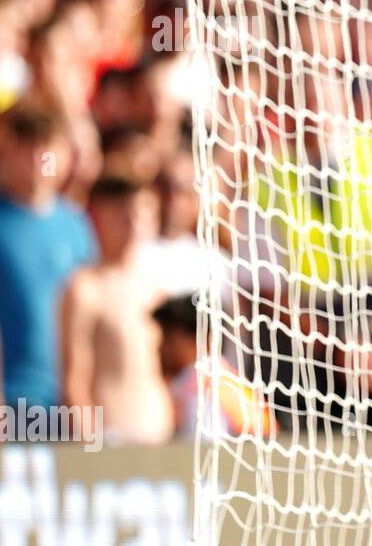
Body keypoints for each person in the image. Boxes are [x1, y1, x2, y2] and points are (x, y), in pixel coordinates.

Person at [0, 100, 97, 418]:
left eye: (46, 145)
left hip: (70, 407)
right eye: (26, 145)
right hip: (12, 403)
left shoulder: (75, 225)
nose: (37, 158)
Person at [62, 174, 173, 444]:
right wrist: (91, 444)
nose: (133, 221)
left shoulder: (154, 289)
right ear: (99, 217)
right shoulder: (85, 288)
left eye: (141, 212)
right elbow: (74, 379)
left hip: (161, 438)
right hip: (112, 439)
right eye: (123, 213)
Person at [152, 294, 275, 438]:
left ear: (200, 340)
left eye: (168, 337)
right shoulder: (220, 380)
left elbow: (202, 454)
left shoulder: (205, 392)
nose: (161, 348)